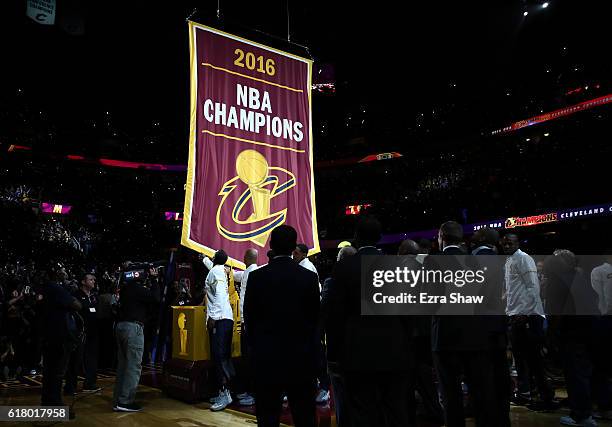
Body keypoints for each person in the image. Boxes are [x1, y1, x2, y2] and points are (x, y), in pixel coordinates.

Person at [325, 216, 413, 427]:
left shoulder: (344, 267)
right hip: (395, 350)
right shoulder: (397, 266)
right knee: (395, 409)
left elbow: (335, 315)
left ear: (355, 238)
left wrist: (334, 355)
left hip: (357, 353)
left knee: (363, 411)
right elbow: (408, 314)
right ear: (380, 238)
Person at [430, 221, 507, 427]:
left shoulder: (433, 260)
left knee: (450, 395)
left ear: (441, 237)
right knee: (481, 393)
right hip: (476, 336)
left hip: (446, 337)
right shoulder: (475, 261)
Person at [244, 225, 320, 427]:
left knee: (267, 419)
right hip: (301, 360)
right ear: (293, 247)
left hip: (267, 360)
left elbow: (249, 320)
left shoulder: (256, 278)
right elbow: (315, 322)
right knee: (305, 418)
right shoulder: (309, 278)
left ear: (271, 246)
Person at [502, 233, 555, 410]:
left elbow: (533, 286)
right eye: (504, 243)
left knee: (534, 361)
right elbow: (513, 289)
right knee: (520, 359)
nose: (507, 245)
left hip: (529, 316)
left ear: (517, 242)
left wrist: (525, 312)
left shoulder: (524, 258)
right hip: (515, 315)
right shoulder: (509, 261)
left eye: (510, 242)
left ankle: (546, 397)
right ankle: (525, 394)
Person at [113, 265, 160, 412]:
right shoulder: (138, 289)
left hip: (120, 326)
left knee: (123, 366)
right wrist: (155, 279)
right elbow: (156, 299)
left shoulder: (125, 290)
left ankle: (118, 400)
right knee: (133, 366)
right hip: (133, 328)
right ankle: (125, 401)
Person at [40, 263, 82, 419]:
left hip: (50, 335)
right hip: (59, 336)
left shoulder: (47, 287)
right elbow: (77, 305)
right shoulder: (56, 288)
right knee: (57, 373)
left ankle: (47, 404)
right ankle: (55, 405)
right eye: (63, 270)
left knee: (50, 372)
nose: (65, 272)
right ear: (56, 273)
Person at [320, 245, 356, 427]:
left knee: (341, 398)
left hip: (339, 350)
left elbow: (324, 314)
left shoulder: (331, 282)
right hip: (365, 349)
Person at [204, 250, 235, 411]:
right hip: (225, 318)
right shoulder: (219, 269)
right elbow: (212, 266)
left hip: (220, 319)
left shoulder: (216, 271)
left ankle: (225, 394)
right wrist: (203, 259)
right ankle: (223, 391)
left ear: (215, 259)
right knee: (221, 357)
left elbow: (221, 295)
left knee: (220, 357)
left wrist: (213, 317)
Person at [65, 273, 101, 394]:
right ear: (83, 282)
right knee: (76, 359)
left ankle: (90, 384)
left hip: (94, 331)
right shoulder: (76, 295)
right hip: (80, 332)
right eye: (90, 279)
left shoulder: (95, 296)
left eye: (94, 280)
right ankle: (70, 387)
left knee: (91, 358)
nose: (93, 281)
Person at [236, 248, 258, 407]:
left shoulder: (254, 273)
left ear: (247, 257)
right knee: (249, 357)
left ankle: (252, 393)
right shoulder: (250, 272)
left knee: (249, 358)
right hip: (251, 322)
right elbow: (235, 275)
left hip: (250, 322)